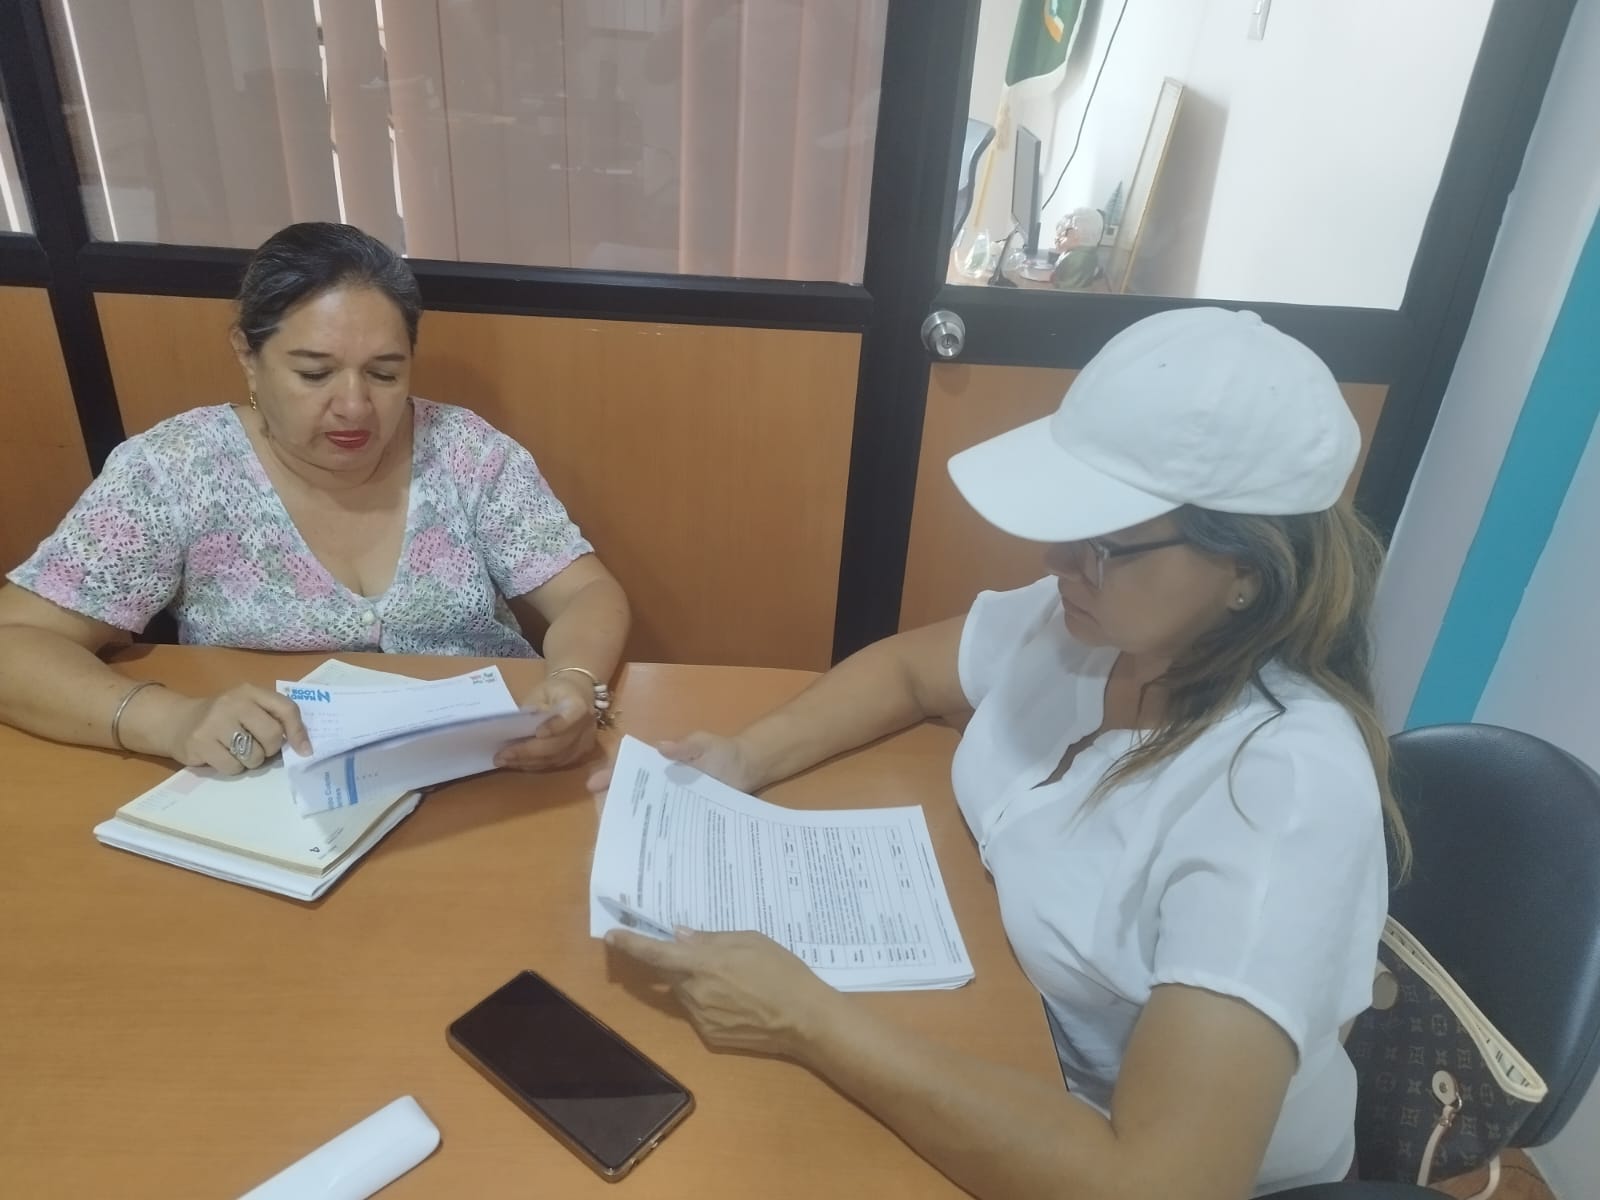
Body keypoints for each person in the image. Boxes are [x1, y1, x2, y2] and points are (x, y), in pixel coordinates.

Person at [600, 308, 1401, 1197]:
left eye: (1106, 543)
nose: (1058, 558)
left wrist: (807, 1020)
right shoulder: (1102, 624)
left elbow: (1158, 1182)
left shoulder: (1282, 798)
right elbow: (909, 671)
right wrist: (745, 758)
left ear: (1248, 567)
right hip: (1002, 1023)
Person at [0, 222, 628, 777]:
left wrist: (576, 683)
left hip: (490, 765)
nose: (354, 406)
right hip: (272, 776)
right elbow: (15, 641)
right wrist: (170, 721)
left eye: (384, 373)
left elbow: (586, 593)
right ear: (248, 356)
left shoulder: (464, 450)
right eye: (314, 374)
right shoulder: (176, 469)